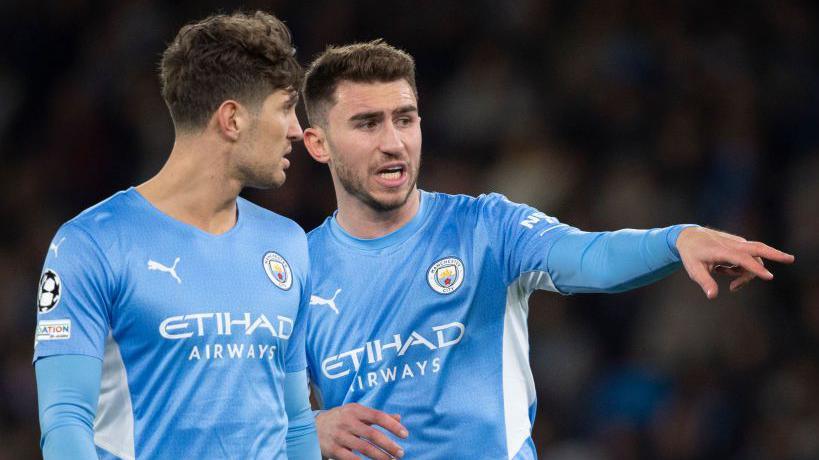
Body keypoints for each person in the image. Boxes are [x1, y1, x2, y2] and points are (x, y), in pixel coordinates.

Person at [299, 40, 795, 460]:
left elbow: (589, 258)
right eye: (367, 124)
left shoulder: (488, 226)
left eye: (405, 119)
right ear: (319, 144)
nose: (394, 143)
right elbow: (242, 414)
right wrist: (306, 431)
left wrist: (674, 239)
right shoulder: (295, 271)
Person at [33, 11, 320, 459]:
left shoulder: (288, 243)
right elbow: (65, 423)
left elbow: (296, 421)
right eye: (286, 108)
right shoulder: (91, 244)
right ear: (232, 119)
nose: (298, 131)